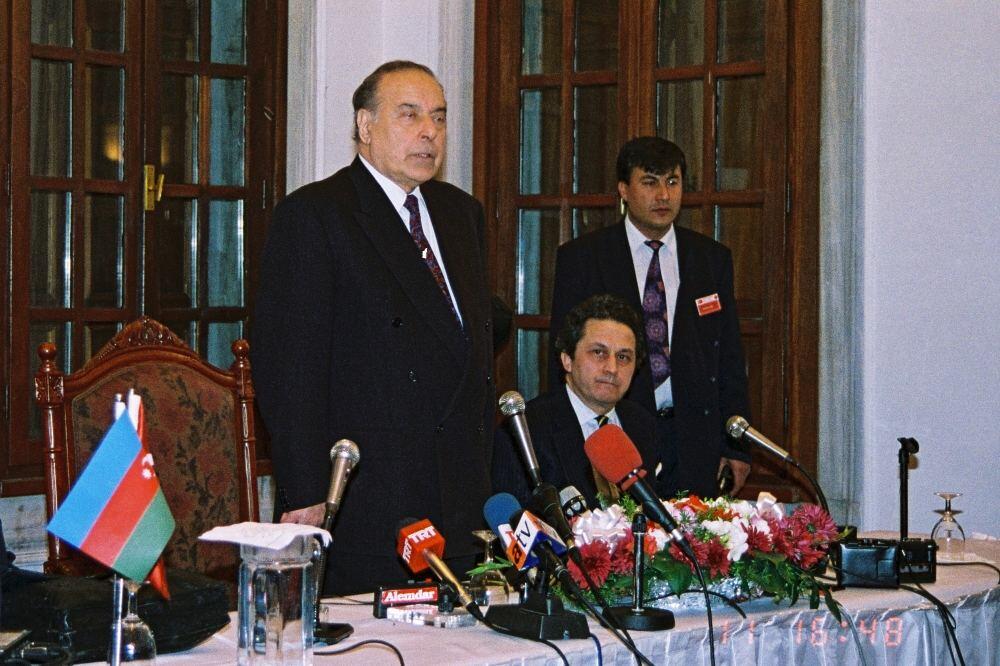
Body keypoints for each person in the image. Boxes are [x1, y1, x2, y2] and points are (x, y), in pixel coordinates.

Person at [251, 61, 494, 594]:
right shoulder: (317, 214)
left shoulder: (461, 215)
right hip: (369, 498)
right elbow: (291, 367)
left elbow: (473, 351)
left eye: (439, 117)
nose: (429, 132)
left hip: (459, 497)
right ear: (365, 125)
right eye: (410, 115)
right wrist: (306, 491)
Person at [548, 137, 750, 498]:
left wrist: (736, 445)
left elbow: (730, 357)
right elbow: (562, 356)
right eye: (650, 182)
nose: (663, 195)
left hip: (694, 437)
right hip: (616, 433)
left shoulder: (710, 259)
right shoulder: (583, 258)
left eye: (672, 182)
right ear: (624, 190)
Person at [493, 294, 674, 507]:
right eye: (598, 353)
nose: (612, 368)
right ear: (567, 360)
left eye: (623, 357)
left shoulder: (643, 424)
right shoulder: (526, 432)